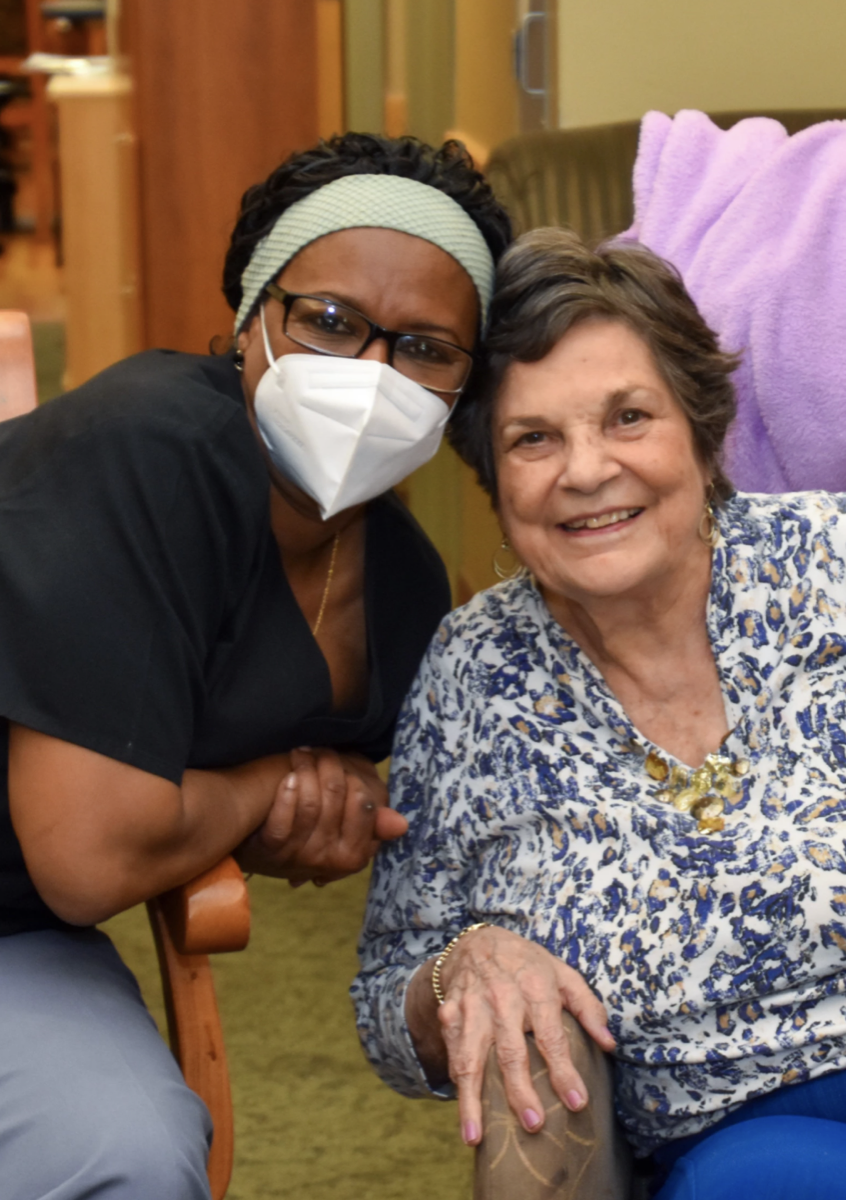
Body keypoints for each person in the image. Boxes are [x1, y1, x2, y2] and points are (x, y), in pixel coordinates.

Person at [353, 227, 846, 1199]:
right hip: (760, 1136)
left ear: (701, 433)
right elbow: (386, 1003)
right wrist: (464, 963)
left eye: (627, 417)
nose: (586, 471)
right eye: (533, 438)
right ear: (492, 480)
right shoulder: (472, 679)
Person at [0, 132, 512, 1200]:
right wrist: (265, 790)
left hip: (20, 940)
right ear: (248, 320)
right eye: (328, 322)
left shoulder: (407, 588)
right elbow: (89, 853)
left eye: (423, 347)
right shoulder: (144, 450)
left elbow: (363, 816)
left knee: (131, 1154)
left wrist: (319, 811)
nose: (370, 373)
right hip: (49, 893)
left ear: (466, 383)